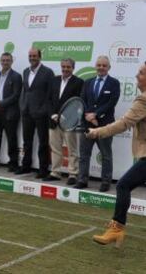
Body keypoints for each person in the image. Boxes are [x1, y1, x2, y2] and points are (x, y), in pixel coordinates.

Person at [86, 62, 146, 248]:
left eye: (141, 73)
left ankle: (117, 228)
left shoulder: (143, 100)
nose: (137, 75)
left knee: (123, 185)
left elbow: (123, 124)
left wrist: (97, 132)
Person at [74, 55, 120, 192]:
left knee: (106, 155)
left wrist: (96, 114)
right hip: (87, 124)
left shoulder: (114, 83)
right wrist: (89, 116)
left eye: (104, 65)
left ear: (109, 67)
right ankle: (82, 180)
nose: (101, 68)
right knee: (84, 154)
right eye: (99, 65)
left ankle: (106, 182)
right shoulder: (87, 82)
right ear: (95, 66)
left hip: (105, 126)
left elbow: (112, 102)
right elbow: (82, 100)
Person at [44, 58, 84, 185]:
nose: (65, 69)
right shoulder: (54, 80)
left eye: (68, 67)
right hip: (53, 120)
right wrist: (53, 115)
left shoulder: (79, 82)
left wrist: (66, 116)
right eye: (63, 66)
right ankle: (55, 172)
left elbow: (78, 103)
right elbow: (48, 100)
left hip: (70, 122)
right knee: (55, 148)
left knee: (72, 149)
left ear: (73, 68)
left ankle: (73, 174)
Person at [17, 48, 54, 178]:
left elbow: (50, 94)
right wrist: (22, 106)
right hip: (26, 112)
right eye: (30, 56)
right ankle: (25, 166)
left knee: (43, 142)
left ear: (40, 57)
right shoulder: (26, 71)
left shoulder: (48, 72)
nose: (32, 58)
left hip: (41, 114)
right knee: (27, 141)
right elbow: (25, 90)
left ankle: (43, 169)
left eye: (34, 56)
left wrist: (43, 110)